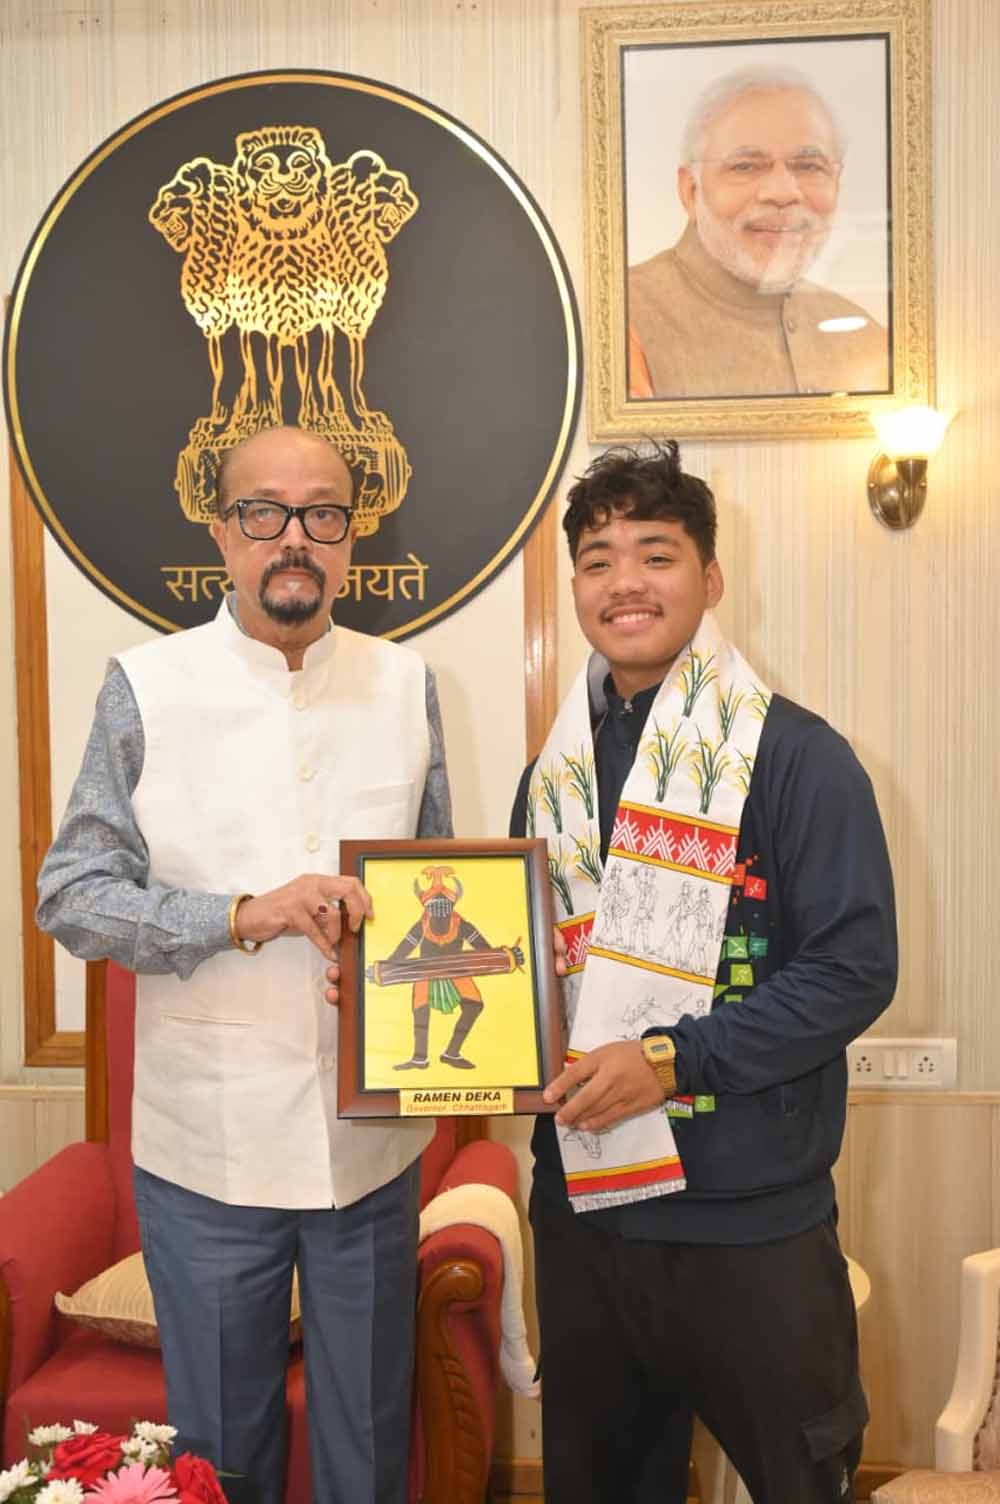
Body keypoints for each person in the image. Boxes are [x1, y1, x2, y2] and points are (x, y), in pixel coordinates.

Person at [36, 425, 453, 1504]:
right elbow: (71, 895)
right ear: (223, 533)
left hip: (370, 1151)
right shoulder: (147, 685)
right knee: (222, 1459)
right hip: (208, 1153)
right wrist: (239, 916)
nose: (293, 537)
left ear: (352, 539)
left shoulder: (406, 685)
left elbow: (435, 880)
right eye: (264, 512)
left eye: (323, 513)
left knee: (372, 1450)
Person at [510, 440, 897, 1504]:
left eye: (656, 553)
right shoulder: (550, 778)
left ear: (711, 579)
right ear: (575, 589)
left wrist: (672, 1060)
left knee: (796, 1478)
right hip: (586, 1213)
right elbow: (521, 966)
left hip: (748, 1218)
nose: (623, 582)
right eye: (596, 560)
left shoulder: (796, 757)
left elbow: (854, 968)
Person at [628, 65, 890, 399]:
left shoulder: (867, 339)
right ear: (690, 191)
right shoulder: (620, 319)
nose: (782, 192)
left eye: (809, 166)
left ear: (836, 184)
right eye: (746, 166)